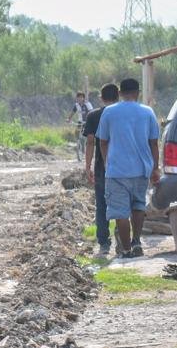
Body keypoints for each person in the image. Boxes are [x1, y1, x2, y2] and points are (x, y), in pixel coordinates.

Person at [96, 77, 161, 259]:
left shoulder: (109, 112)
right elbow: (154, 143)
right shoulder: (148, 112)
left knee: (120, 212)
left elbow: (103, 141)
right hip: (141, 170)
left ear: (120, 93)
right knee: (138, 206)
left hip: (117, 171)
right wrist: (155, 168)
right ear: (137, 92)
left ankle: (125, 250)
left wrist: (108, 162)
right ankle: (137, 242)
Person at [82, 82, 119, 257]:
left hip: (101, 167)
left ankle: (104, 243)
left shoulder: (94, 115)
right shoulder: (123, 115)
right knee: (123, 202)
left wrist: (87, 165)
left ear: (100, 98)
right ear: (118, 96)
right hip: (123, 166)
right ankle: (124, 239)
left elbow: (90, 142)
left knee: (102, 205)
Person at [68, 91, 94, 159]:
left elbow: (92, 112)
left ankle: (87, 147)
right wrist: (69, 119)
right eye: (78, 97)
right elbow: (72, 113)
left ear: (83, 98)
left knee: (87, 136)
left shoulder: (87, 104)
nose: (79, 99)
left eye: (81, 97)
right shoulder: (76, 105)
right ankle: (79, 146)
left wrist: (91, 120)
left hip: (87, 122)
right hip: (80, 122)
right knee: (77, 133)